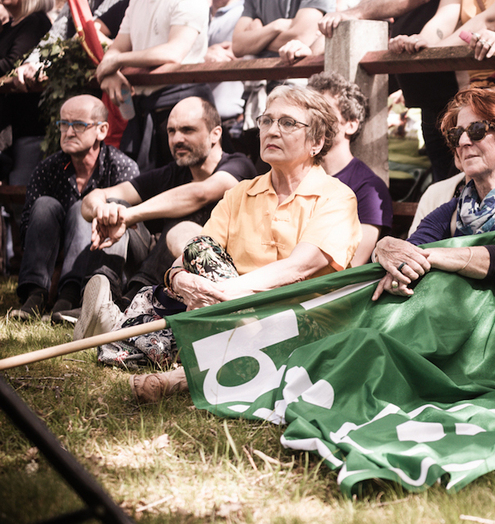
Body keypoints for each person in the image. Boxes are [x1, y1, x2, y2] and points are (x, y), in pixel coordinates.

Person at [81, 85, 362, 402]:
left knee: (251, 323)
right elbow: (195, 251)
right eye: (267, 121)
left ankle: (177, 375)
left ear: (317, 142)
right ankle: (157, 343)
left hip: (300, 321)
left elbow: (300, 267)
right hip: (225, 309)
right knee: (195, 249)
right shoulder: (242, 193)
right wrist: (181, 279)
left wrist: (227, 293)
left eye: (287, 123)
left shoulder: (337, 197)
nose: (271, 130)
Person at [318, 0, 480, 183]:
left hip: (461, 92)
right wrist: (348, 17)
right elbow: (370, 4)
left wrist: (351, 13)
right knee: (444, 182)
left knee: (465, 180)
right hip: (426, 93)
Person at [372, 87, 495, 306]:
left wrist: (427, 256)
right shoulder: (454, 210)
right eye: (456, 134)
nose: (463, 141)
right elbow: (410, 249)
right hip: (465, 328)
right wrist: (384, 249)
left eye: (477, 130)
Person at [80, 97, 255, 306]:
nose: (176, 139)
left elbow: (200, 193)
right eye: (171, 131)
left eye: (187, 130)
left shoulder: (239, 165)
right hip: (164, 271)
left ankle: (132, 299)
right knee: (116, 206)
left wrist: (129, 216)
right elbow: (93, 198)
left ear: (215, 134)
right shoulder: (171, 173)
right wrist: (105, 210)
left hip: (217, 271)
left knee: (182, 216)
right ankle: (98, 298)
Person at [94, 0, 211, 171]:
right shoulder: (136, 2)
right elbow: (117, 47)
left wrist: (114, 62)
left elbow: (173, 52)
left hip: (182, 106)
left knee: (183, 186)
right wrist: (111, 71)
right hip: (143, 110)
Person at [11, 95, 139, 319]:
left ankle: (68, 297)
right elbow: (27, 228)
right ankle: (36, 295)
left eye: (79, 125)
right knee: (44, 205)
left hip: (100, 262)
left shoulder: (123, 168)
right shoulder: (47, 169)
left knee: (85, 207)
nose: (69, 132)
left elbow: (133, 231)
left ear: (102, 130)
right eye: (63, 124)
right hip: (52, 260)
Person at [308, 71, 392, 266]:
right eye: (310, 110)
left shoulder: (369, 188)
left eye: (325, 110)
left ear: (351, 125)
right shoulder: (297, 174)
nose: (314, 118)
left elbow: (353, 264)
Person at [0, 0, 54, 185]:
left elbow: (13, 64)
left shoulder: (36, 23)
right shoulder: (6, 28)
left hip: (28, 128)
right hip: (8, 128)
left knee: (22, 193)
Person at [204, 0, 248, 129]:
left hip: (234, 121)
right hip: (195, 121)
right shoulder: (197, 16)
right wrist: (202, 54)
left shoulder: (247, 15)